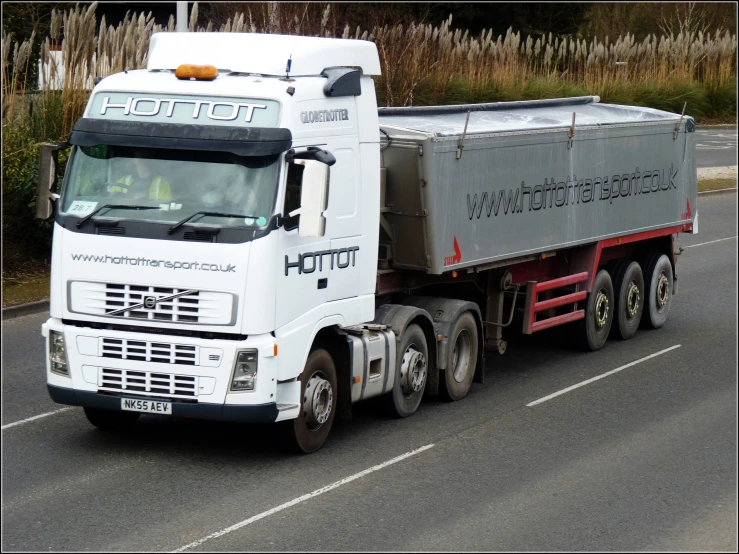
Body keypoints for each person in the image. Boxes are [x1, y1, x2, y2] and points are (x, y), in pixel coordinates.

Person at [108, 149, 173, 202]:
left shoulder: (162, 183)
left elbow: (165, 206)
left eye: (146, 157)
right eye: (140, 157)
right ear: (134, 160)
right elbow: (112, 202)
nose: (143, 160)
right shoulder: (122, 181)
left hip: (151, 216)